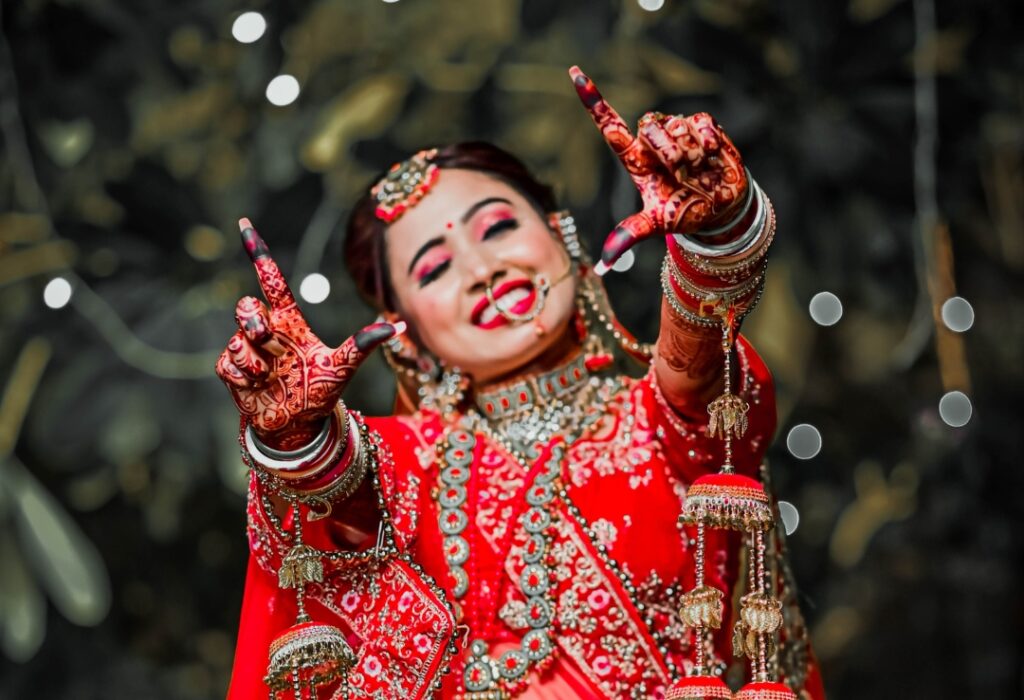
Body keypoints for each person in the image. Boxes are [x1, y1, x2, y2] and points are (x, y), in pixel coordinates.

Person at [218, 67, 826, 699]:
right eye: (433, 269)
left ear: (561, 234)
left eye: (498, 228)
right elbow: (338, 504)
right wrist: (295, 437)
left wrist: (719, 235)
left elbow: (700, 366)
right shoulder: (405, 465)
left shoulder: (660, 421)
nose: (482, 269)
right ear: (406, 331)